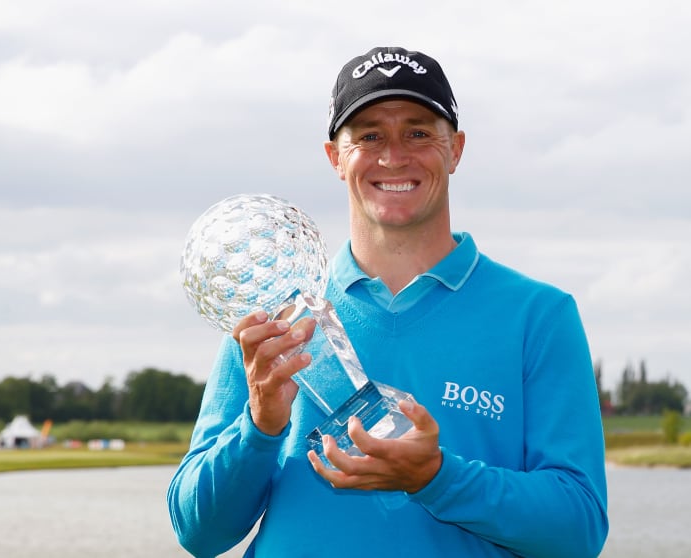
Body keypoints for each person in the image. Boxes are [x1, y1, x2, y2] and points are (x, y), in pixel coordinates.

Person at [167, 46, 608, 558]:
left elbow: (578, 530)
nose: (393, 156)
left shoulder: (538, 315)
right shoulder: (276, 313)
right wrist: (261, 427)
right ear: (335, 157)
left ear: (456, 149)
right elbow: (198, 533)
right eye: (369, 135)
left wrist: (436, 476)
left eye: (418, 132)